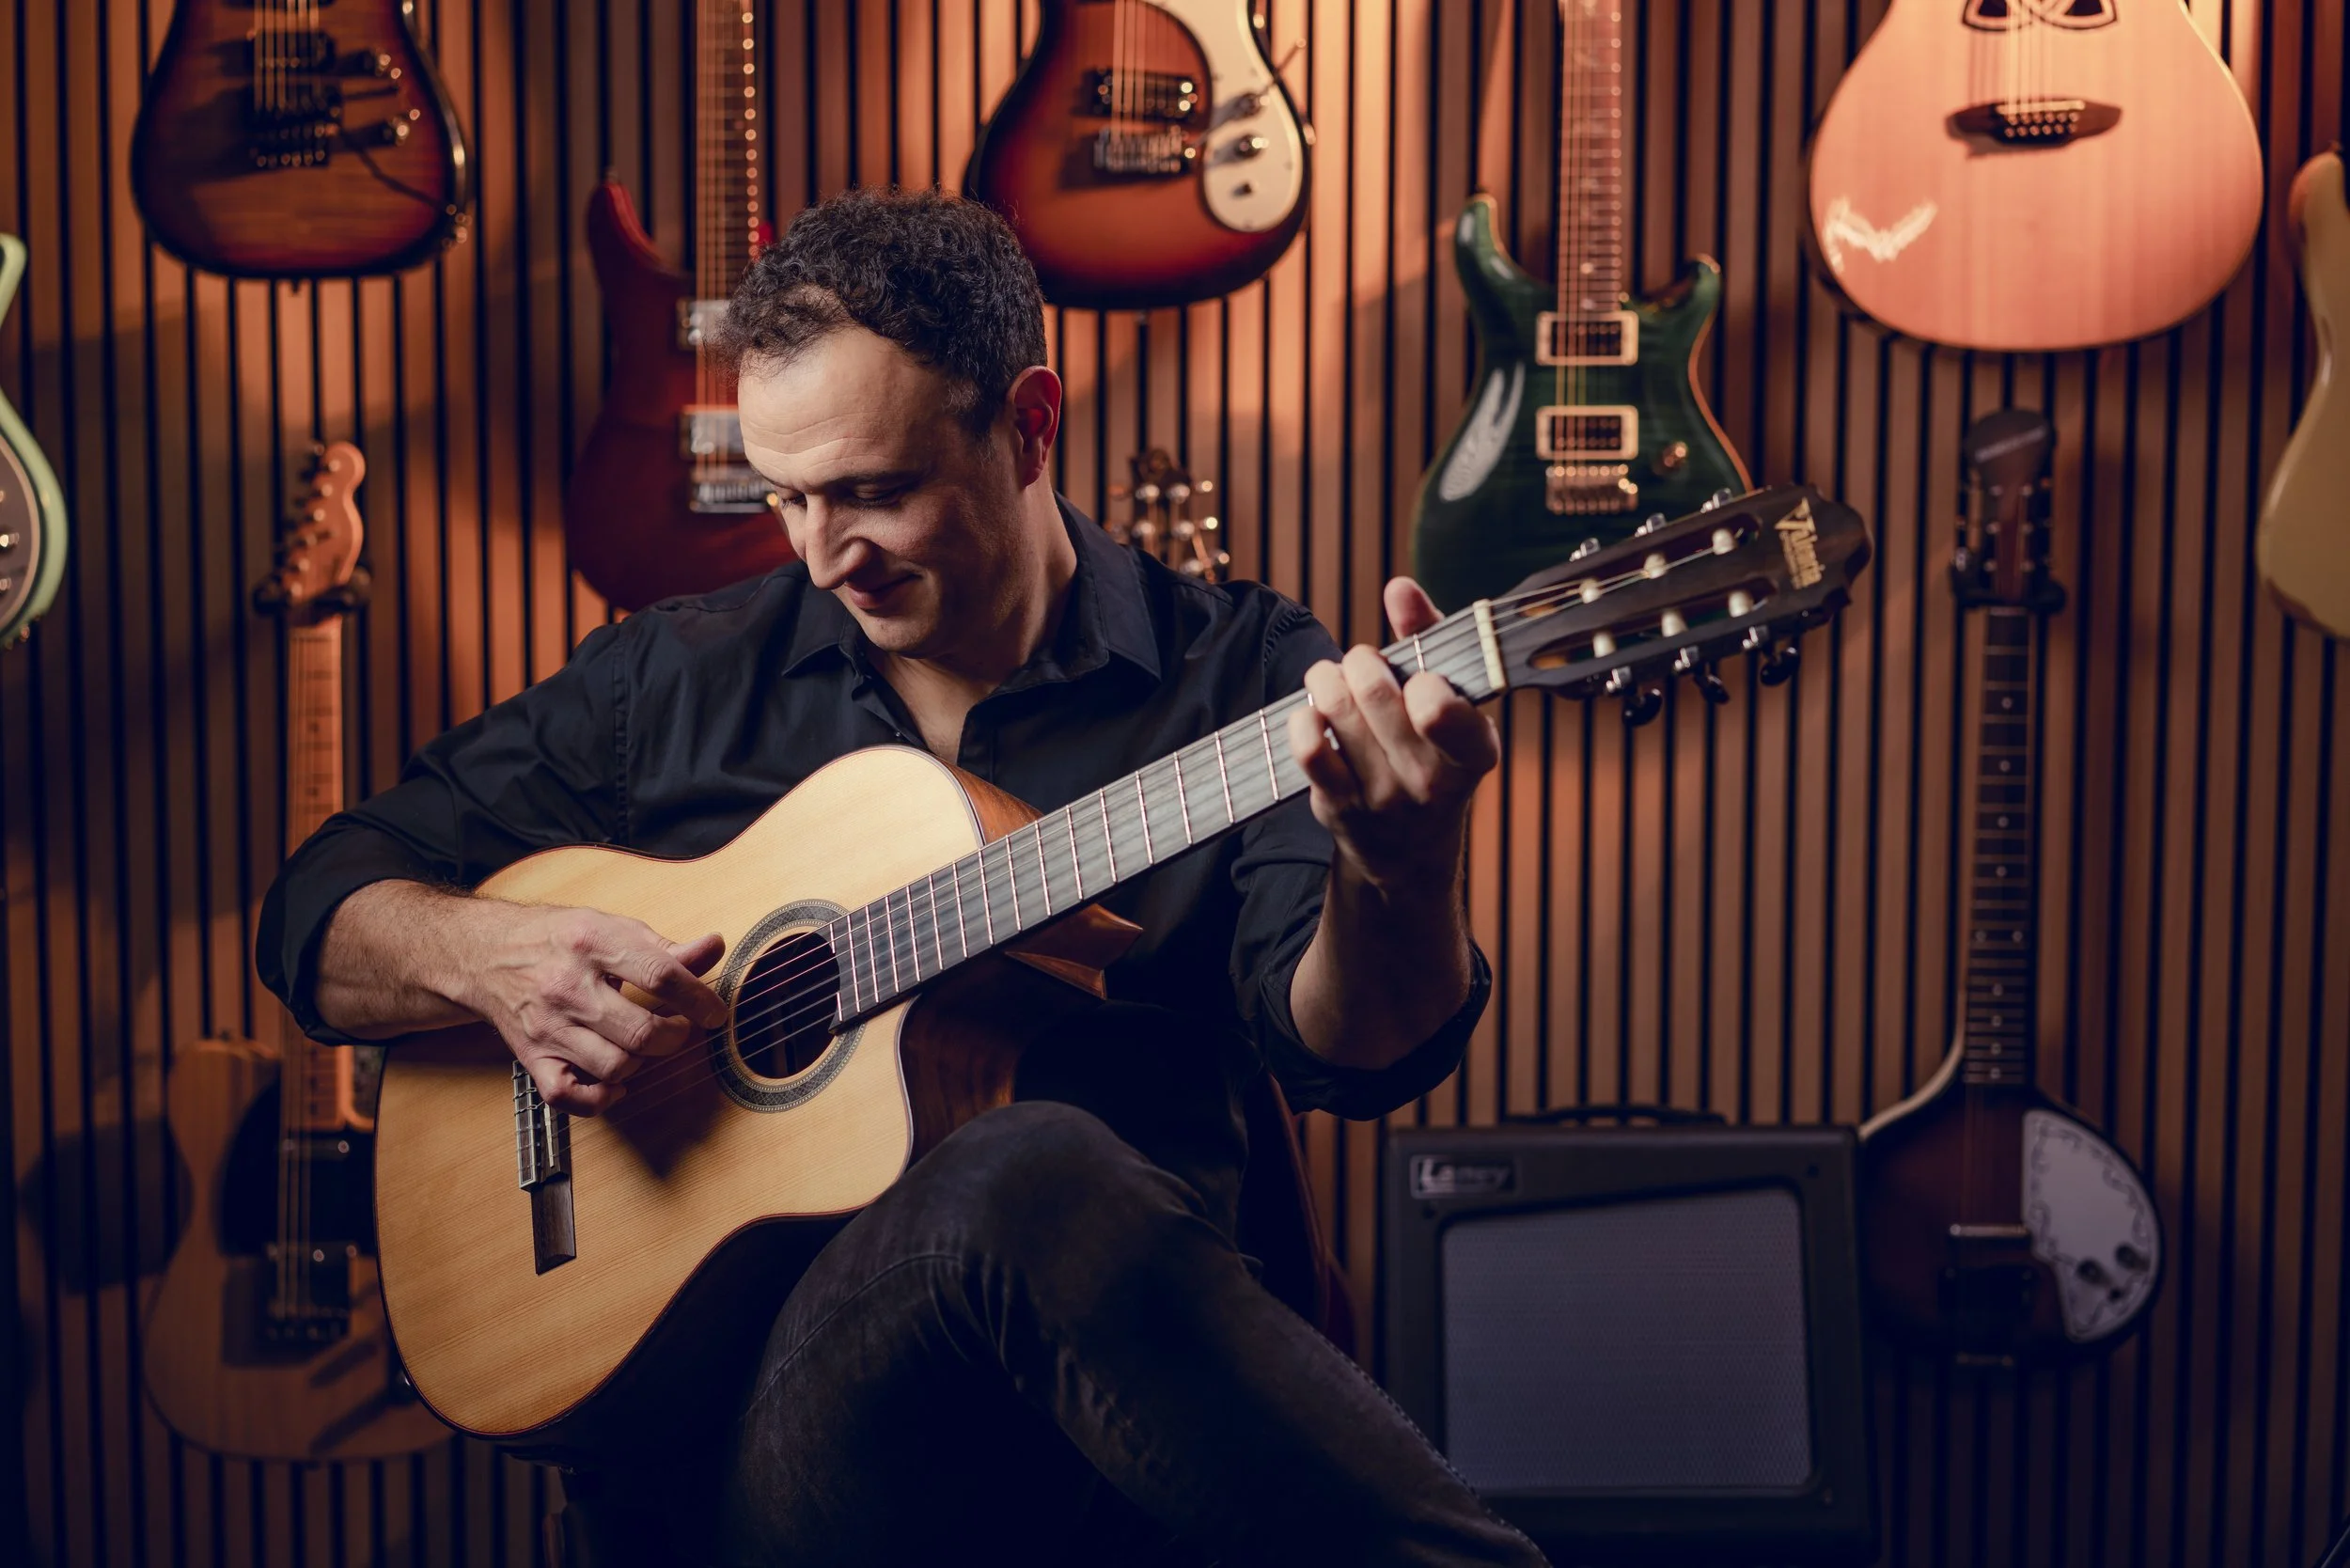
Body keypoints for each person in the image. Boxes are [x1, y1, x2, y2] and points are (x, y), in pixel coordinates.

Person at [258, 188, 1545, 1567]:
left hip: (1117, 1460)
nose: (823, 555)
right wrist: (492, 961)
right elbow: (319, 909)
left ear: (1031, 423)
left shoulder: (1233, 683)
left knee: (1025, 1166)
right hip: (752, 1454)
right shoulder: (677, 681)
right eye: (788, 495)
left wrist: (1399, 868)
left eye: (875, 492)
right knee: (1020, 1165)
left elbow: (1358, 1050)